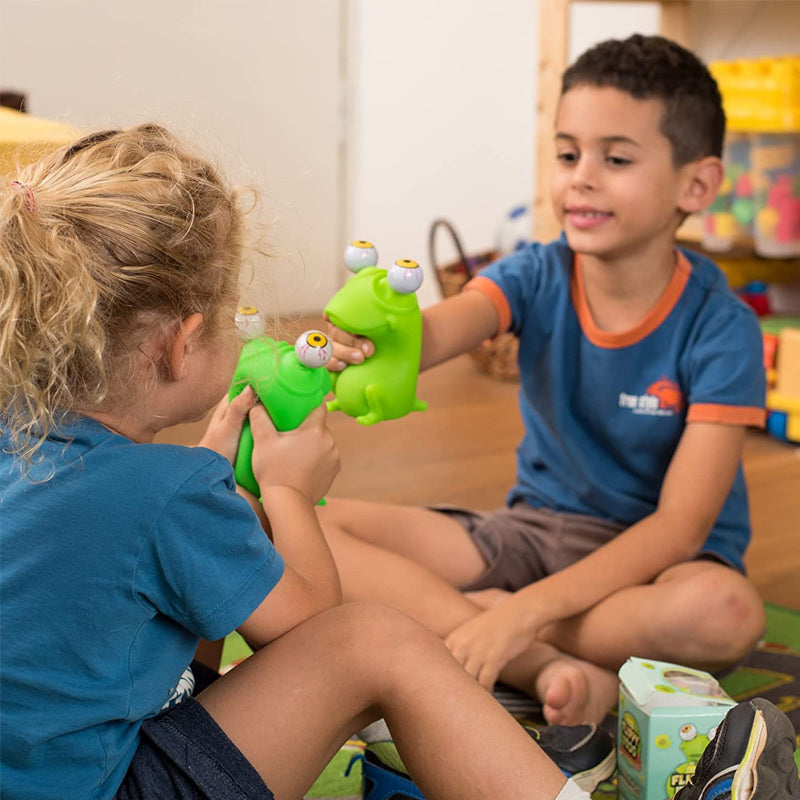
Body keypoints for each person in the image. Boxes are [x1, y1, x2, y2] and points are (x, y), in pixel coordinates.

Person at [0, 124, 597, 800]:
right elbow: (312, 623)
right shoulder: (166, 495)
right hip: (105, 787)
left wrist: (215, 487)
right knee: (374, 640)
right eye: (232, 315)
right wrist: (287, 491)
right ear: (181, 344)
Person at [320, 34, 769, 729]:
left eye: (615, 159)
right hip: (532, 536)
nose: (580, 178)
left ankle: (484, 624)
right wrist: (388, 336)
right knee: (311, 524)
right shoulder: (534, 271)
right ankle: (543, 664)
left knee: (727, 613)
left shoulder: (723, 327)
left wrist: (522, 610)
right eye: (567, 154)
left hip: (652, 571)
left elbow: (680, 529)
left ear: (697, 185)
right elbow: (446, 328)